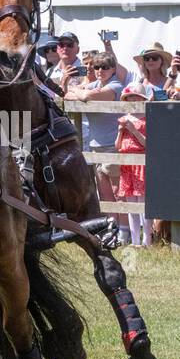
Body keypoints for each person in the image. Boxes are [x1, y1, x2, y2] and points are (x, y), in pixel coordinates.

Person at [66, 52, 125, 238]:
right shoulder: (95, 84)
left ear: (113, 69)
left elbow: (87, 97)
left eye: (105, 67)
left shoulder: (116, 85)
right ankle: (112, 229)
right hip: (95, 145)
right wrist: (79, 92)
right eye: (96, 67)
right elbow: (67, 95)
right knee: (104, 192)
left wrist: (80, 92)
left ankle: (125, 230)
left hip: (113, 144)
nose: (100, 70)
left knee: (118, 191)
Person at [115, 84, 149, 246]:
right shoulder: (124, 118)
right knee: (130, 204)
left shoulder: (146, 119)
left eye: (135, 97)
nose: (132, 100)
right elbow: (117, 145)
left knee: (142, 203)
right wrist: (121, 130)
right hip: (127, 164)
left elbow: (147, 144)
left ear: (142, 99)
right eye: (129, 98)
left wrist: (134, 130)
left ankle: (147, 240)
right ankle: (135, 240)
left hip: (141, 162)